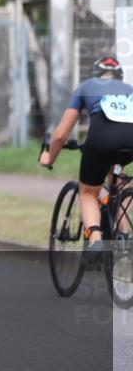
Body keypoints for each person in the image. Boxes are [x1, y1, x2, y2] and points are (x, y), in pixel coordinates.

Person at [41, 56, 133, 251]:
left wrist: (49, 157)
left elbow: (60, 135)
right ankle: (123, 232)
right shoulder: (129, 90)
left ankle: (96, 238)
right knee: (119, 179)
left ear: (95, 74)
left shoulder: (86, 87)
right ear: (120, 76)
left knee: (88, 192)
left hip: (103, 138)